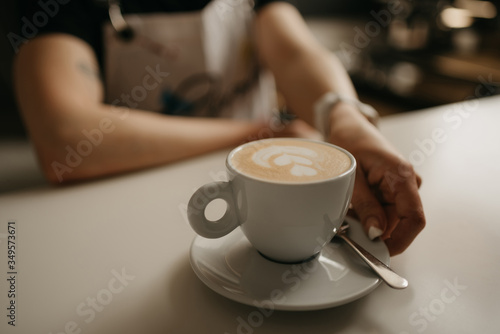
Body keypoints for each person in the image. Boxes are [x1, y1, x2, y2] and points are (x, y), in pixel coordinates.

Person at [12, 0, 424, 255]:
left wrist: (345, 118)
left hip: (266, 194)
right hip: (129, 206)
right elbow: (64, 139)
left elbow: (298, 53)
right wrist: (260, 135)